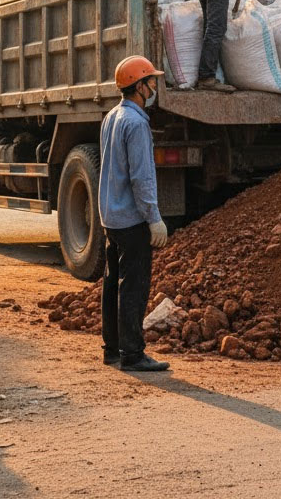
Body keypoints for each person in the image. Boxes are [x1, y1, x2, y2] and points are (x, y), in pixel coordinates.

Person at [99, 56, 171, 373]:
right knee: (134, 287)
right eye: (151, 81)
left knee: (112, 283)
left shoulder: (111, 117)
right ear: (139, 86)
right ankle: (133, 354)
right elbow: (140, 178)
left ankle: (112, 350)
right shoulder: (137, 123)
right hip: (131, 219)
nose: (154, 86)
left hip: (110, 218)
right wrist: (153, 217)